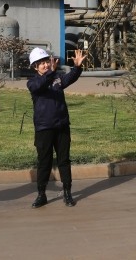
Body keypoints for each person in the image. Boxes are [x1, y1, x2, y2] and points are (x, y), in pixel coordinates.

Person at [26, 47, 87, 208]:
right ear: (35, 67)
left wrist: (77, 67)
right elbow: (40, 85)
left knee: (64, 161)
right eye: (42, 63)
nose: (46, 65)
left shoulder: (57, 79)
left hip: (61, 125)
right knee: (44, 162)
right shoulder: (33, 82)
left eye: (47, 62)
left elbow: (69, 78)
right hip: (44, 128)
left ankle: (67, 192)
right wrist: (51, 73)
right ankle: (41, 194)